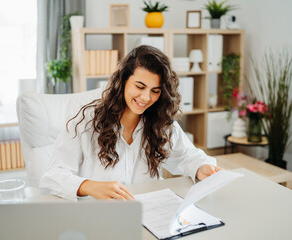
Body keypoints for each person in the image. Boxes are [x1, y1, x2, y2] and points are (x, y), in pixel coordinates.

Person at [40, 45, 221, 201]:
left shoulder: (161, 124)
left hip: (148, 216)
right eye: (140, 87)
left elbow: (187, 156)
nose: (146, 97)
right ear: (123, 81)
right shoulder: (86, 122)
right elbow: (52, 178)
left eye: (155, 91)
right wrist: (89, 186)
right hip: (97, 217)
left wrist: (201, 167)